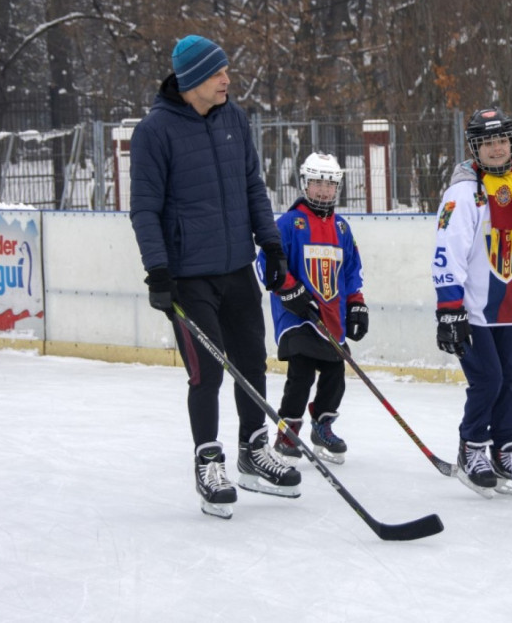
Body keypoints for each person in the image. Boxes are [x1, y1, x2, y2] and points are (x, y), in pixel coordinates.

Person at [130, 34, 301, 519]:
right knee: (206, 372)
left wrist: (270, 243)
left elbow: (252, 184)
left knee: (252, 361)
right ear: (192, 81)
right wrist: (158, 271)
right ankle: (209, 460)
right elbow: (144, 209)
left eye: (225, 70)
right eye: (217, 73)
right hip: (187, 276)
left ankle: (253, 450)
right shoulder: (155, 132)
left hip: (236, 266)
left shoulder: (234, 118)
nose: (227, 79)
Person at [432, 106, 512, 498]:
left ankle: (504, 451)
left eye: (501, 140)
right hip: (470, 311)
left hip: (507, 307)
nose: (495, 148)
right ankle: (472, 448)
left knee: (508, 381)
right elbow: (447, 253)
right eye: (486, 142)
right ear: (474, 147)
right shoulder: (462, 193)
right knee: (487, 379)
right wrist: (449, 310)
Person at [255, 152, 368, 465]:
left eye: (329, 184)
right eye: (317, 182)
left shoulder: (342, 229)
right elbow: (265, 263)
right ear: (305, 183)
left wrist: (356, 304)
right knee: (301, 374)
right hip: (297, 318)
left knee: (335, 376)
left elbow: (352, 272)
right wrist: (289, 291)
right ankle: (287, 431)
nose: (323, 190)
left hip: (331, 318)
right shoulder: (290, 223)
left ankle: (323, 425)